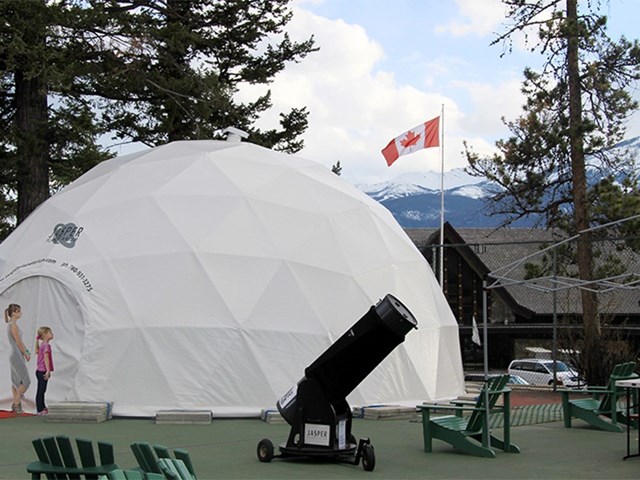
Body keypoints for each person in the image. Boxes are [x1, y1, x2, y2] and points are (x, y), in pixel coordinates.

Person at [4, 303, 31, 414]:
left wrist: (27, 351)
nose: (21, 313)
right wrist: (25, 353)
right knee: (26, 382)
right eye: (19, 311)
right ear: (14, 313)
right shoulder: (13, 326)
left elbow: (20, 342)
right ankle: (16, 404)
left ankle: (17, 406)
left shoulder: (13, 325)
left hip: (14, 354)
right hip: (16, 354)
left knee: (16, 381)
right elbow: (19, 342)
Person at [35, 326, 54, 415]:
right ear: (45, 335)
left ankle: (42, 407)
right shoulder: (46, 345)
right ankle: (40, 409)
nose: (52, 334)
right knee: (41, 390)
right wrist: (48, 370)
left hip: (39, 371)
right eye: (50, 332)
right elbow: (46, 358)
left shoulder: (42, 344)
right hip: (42, 371)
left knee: (42, 390)